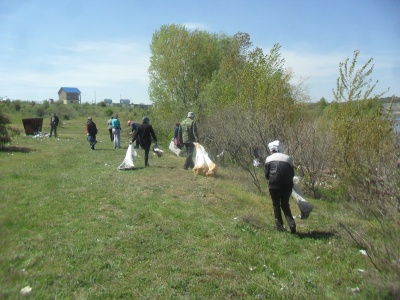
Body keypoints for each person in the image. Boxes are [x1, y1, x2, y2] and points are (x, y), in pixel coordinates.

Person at [264, 140, 296, 234]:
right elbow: (292, 174)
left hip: (274, 185)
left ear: (271, 149)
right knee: (285, 204)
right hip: (287, 186)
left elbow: (267, 175)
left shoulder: (269, 159)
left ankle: (279, 226)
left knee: (276, 205)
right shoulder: (288, 158)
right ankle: (292, 224)